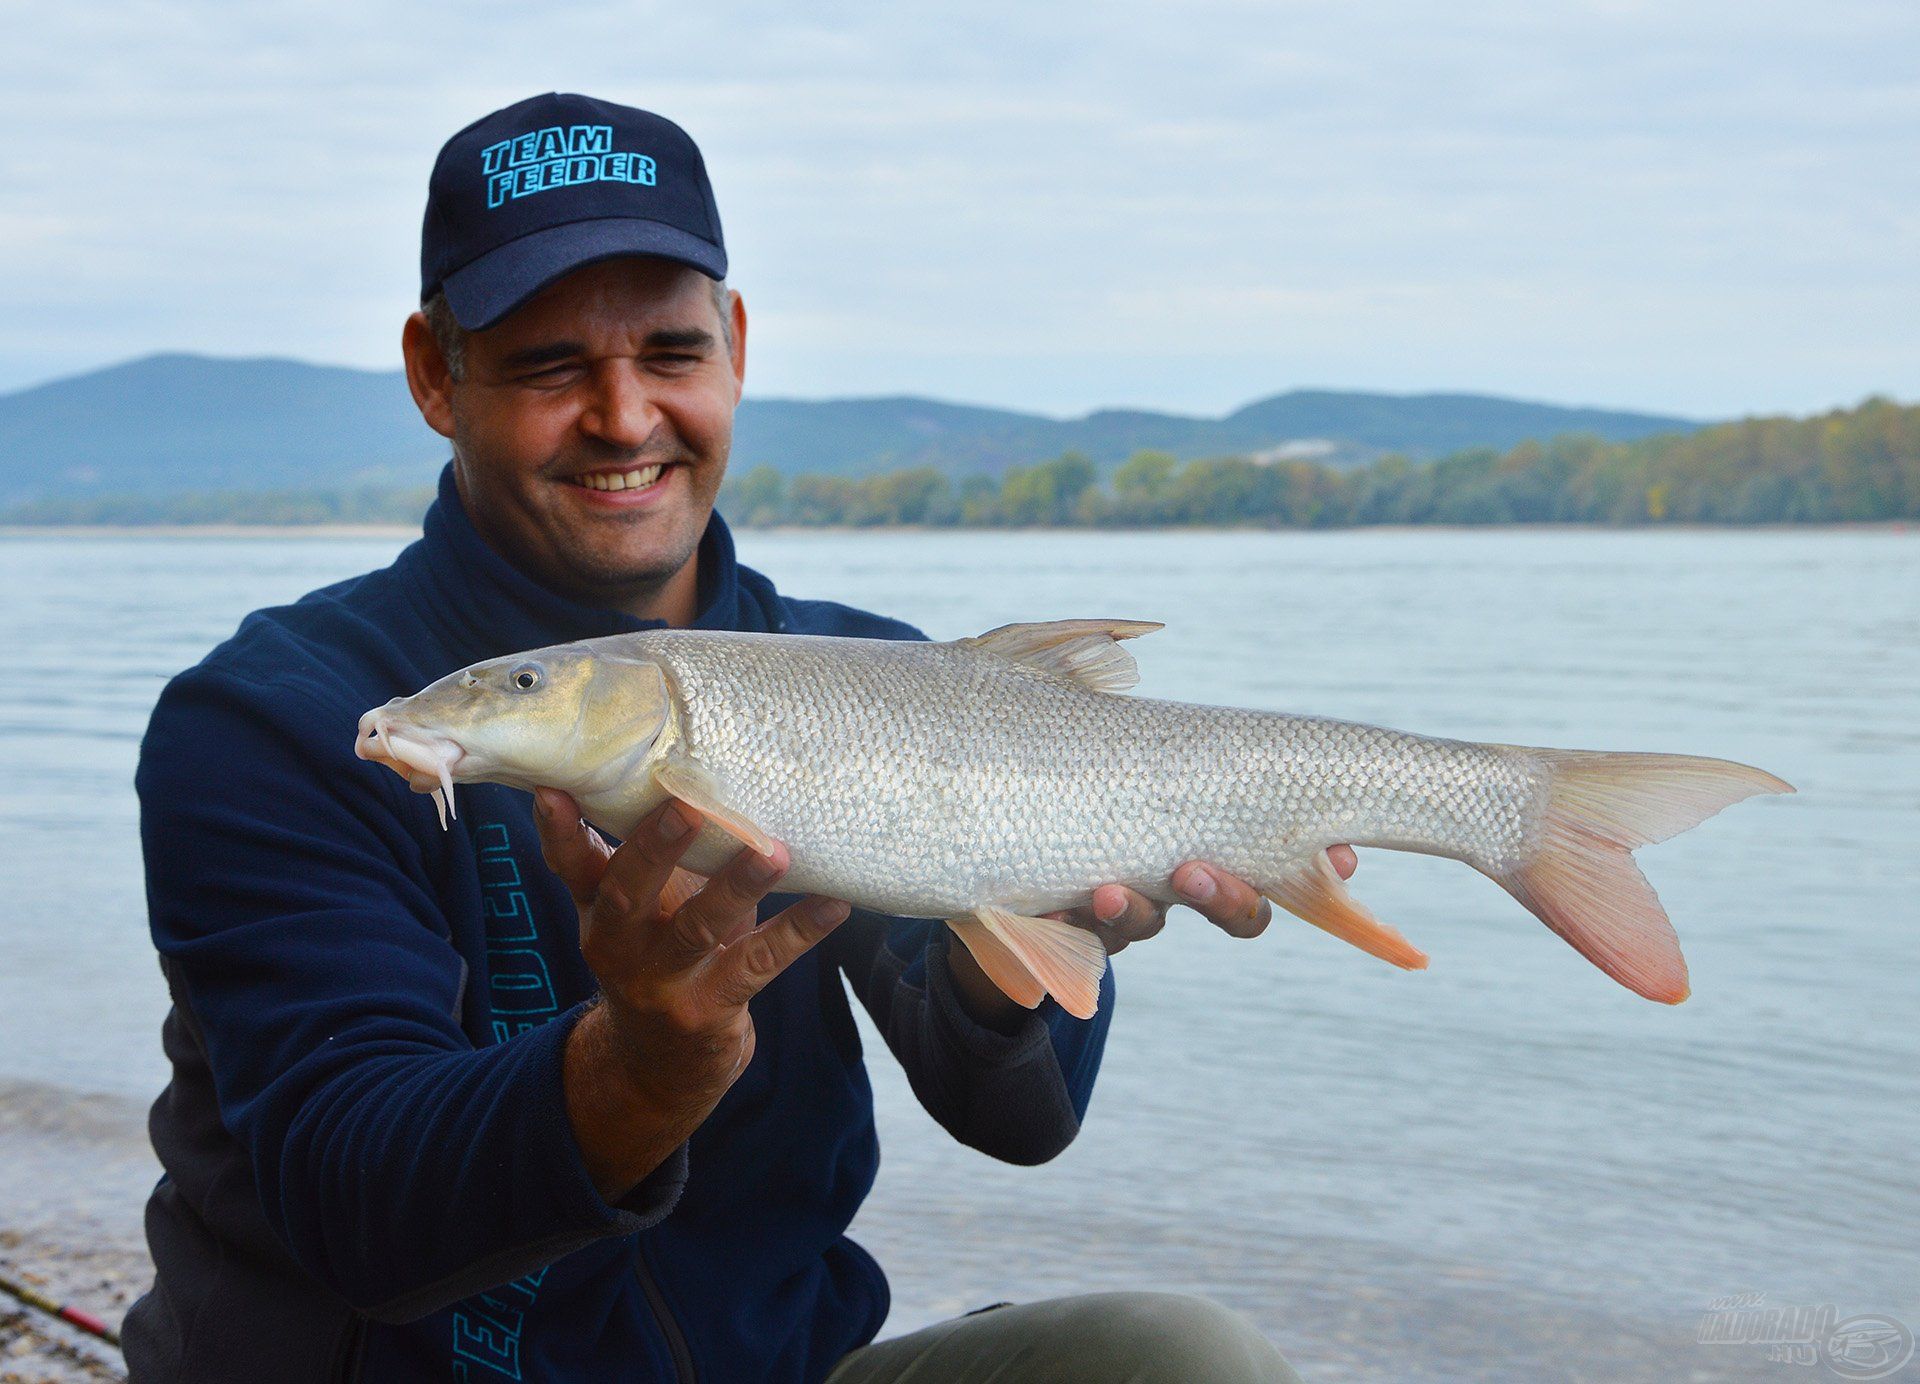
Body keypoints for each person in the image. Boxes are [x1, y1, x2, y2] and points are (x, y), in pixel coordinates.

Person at [124, 92, 1350, 1383]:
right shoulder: (275, 716)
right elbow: (354, 1202)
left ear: (737, 347)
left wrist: (1001, 980)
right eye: (551, 364)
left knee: (1180, 1357)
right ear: (439, 376)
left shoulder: (866, 679)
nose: (625, 415)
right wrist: (641, 1065)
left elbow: (1017, 1123)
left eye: (670, 351)